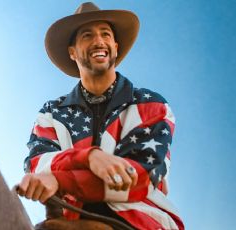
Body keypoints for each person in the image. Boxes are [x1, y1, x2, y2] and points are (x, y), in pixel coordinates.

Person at [17, 2, 184, 229]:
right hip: (70, 220)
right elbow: (38, 164)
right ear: (72, 52)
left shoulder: (151, 104)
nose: (98, 41)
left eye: (105, 34)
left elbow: (139, 177)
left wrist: (59, 179)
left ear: (115, 46)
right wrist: (89, 158)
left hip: (142, 220)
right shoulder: (51, 112)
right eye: (87, 35)